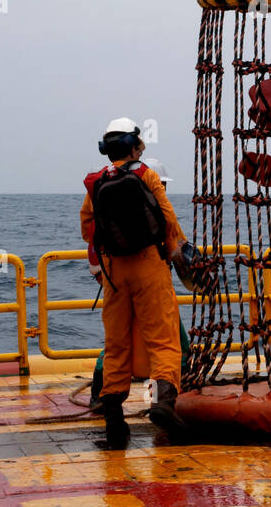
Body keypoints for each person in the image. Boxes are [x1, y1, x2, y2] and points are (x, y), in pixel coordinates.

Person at [80, 118, 189, 449]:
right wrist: (180, 254)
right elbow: (168, 219)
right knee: (163, 341)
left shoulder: (96, 182)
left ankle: (115, 424)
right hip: (148, 266)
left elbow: (87, 229)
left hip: (114, 273)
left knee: (116, 345)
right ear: (134, 145)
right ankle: (160, 403)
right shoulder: (147, 175)